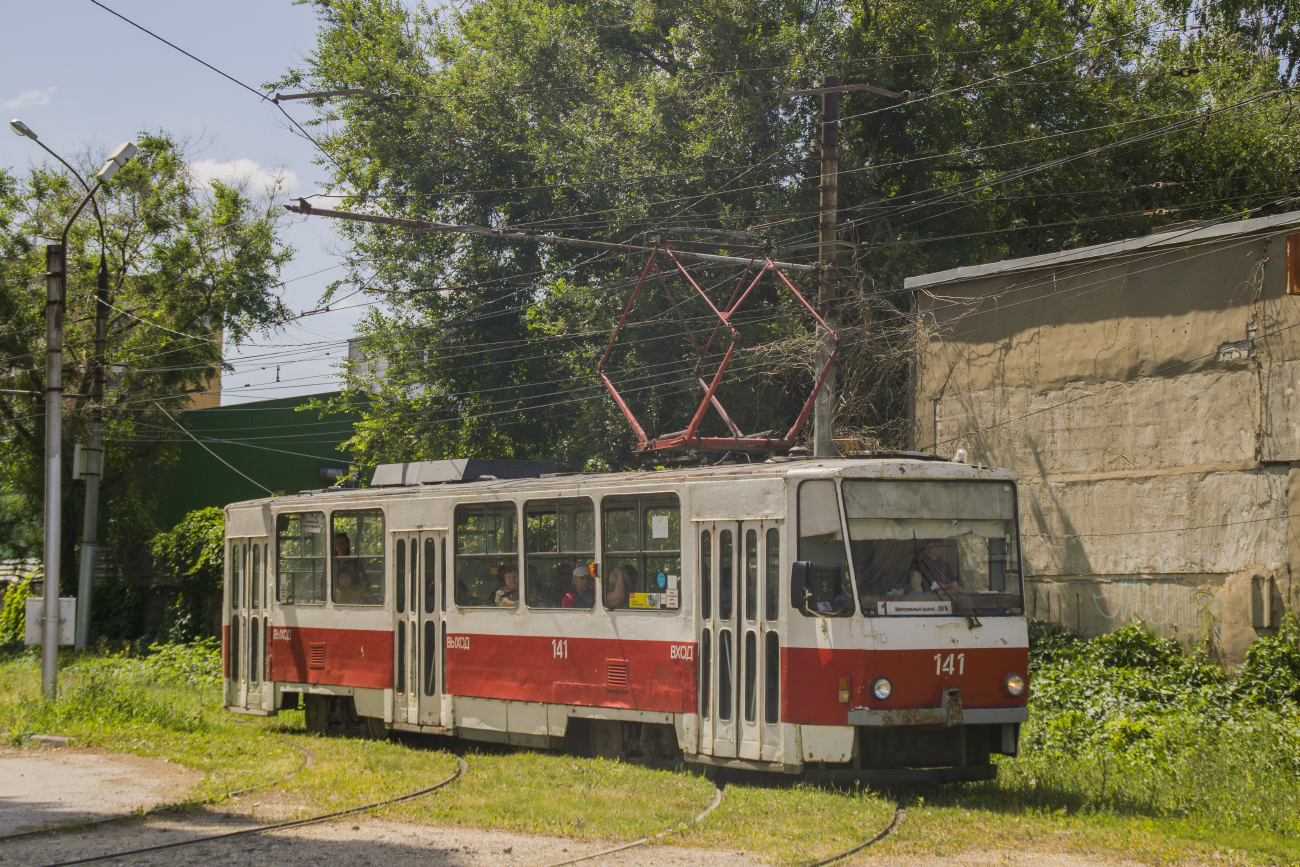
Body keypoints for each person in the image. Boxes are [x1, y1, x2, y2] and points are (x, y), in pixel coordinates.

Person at [333, 533, 366, 604]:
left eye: (341, 543)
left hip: (353, 594)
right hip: (335, 595)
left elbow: (363, 578)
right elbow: (324, 580)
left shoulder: (355, 561)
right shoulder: (331, 562)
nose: (339, 545)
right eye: (336, 543)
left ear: (347, 544)